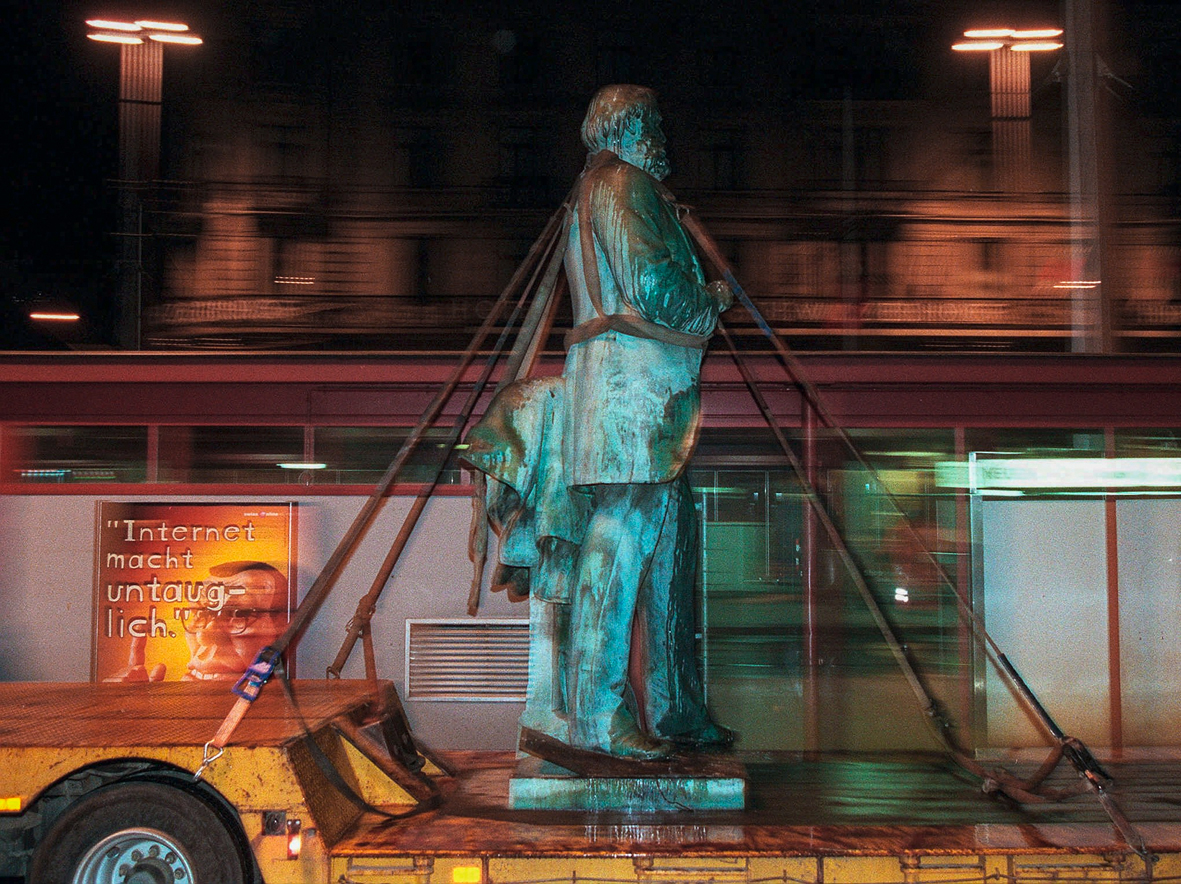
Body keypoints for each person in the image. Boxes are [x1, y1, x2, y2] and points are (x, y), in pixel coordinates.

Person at [465, 85, 733, 760]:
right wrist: (710, 299)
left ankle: (675, 712)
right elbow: (654, 289)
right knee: (617, 550)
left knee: (662, 558)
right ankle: (596, 718)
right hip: (632, 400)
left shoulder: (600, 190)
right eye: (656, 123)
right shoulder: (622, 184)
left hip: (646, 405)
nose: (663, 134)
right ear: (631, 128)